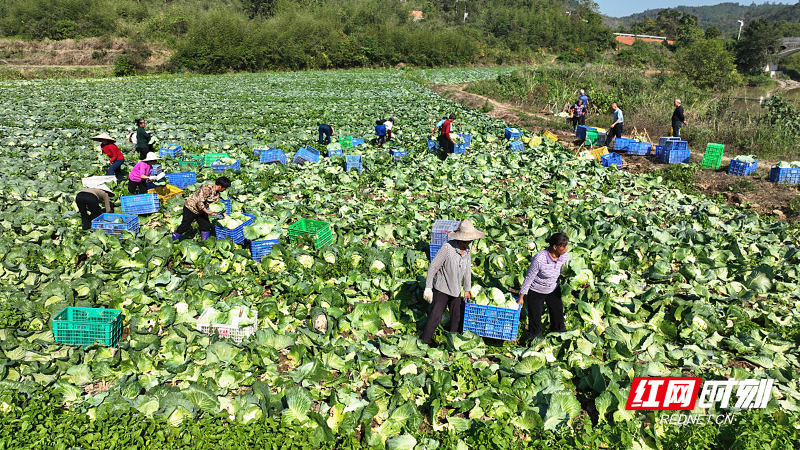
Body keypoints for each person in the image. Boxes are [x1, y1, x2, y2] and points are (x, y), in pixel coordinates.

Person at [421, 219, 485, 345]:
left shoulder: (467, 252)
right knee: (435, 318)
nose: (468, 243)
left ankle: (452, 343)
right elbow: (433, 267)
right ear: (459, 238)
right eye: (466, 240)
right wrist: (428, 287)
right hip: (442, 289)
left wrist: (467, 289)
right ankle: (424, 343)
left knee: (456, 319)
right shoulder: (447, 248)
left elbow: (467, 271)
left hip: (456, 290)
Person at [517, 233, 570, 340]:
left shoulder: (565, 256)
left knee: (558, 316)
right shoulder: (539, 258)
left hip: (553, 289)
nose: (566, 248)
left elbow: (566, 273)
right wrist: (521, 297)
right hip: (537, 290)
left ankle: (557, 336)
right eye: (563, 246)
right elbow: (529, 278)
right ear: (555, 247)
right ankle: (533, 339)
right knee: (535, 319)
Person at [172, 177, 231, 242]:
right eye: (225, 188)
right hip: (191, 208)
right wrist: (207, 212)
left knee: (206, 226)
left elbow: (218, 205)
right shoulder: (207, 189)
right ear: (220, 186)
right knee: (185, 225)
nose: (225, 190)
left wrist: (225, 215)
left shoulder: (217, 194)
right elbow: (199, 202)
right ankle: (174, 240)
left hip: (201, 210)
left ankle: (205, 243)